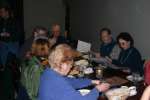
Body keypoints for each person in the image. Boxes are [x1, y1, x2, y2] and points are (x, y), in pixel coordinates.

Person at [38, 44, 110, 100]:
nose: (71, 68)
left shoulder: (48, 72)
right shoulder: (57, 82)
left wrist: (91, 81)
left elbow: (71, 82)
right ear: (63, 65)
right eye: (70, 65)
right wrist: (98, 89)